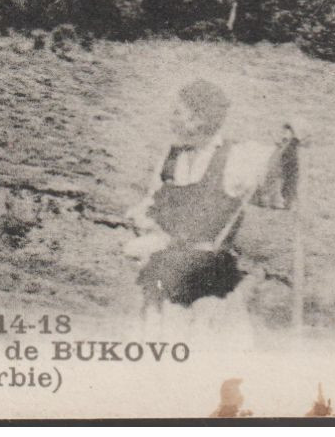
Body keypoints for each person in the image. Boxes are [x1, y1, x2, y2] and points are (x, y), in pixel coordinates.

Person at [122, 78, 297, 310]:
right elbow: (153, 204)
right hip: (163, 279)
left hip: (210, 290)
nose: (170, 120)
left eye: (177, 113)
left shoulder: (234, 158)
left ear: (199, 119)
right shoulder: (171, 157)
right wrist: (143, 222)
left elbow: (276, 186)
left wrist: (290, 147)